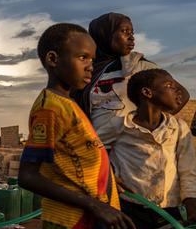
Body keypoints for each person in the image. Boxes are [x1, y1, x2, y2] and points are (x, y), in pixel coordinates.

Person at [17, 23, 135, 229]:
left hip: (84, 222)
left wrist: (109, 184)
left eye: (92, 60)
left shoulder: (68, 104)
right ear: (53, 59)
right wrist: (95, 204)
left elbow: (76, 158)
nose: (90, 66)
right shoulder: (49, 108)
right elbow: (27, 175)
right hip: (69, 222)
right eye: (82, 58)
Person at [74, 12, 189, 146]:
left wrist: (150, 126)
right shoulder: (88, 70)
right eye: (124, 31)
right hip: (97, 150)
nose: (131, 37)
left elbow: (183, 94)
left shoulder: (140, 66)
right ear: (104, 35)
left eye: (132, 32)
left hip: (131, 150)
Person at [109, 69, 196, 229]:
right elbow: (93, 148)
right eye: (169, 85)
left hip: (170, 211)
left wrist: (191, 201)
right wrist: (109, 172)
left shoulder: (178, 128)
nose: (177, 90)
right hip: (130, 210)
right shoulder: (119, 126)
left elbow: (188, 170)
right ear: (147, 92)